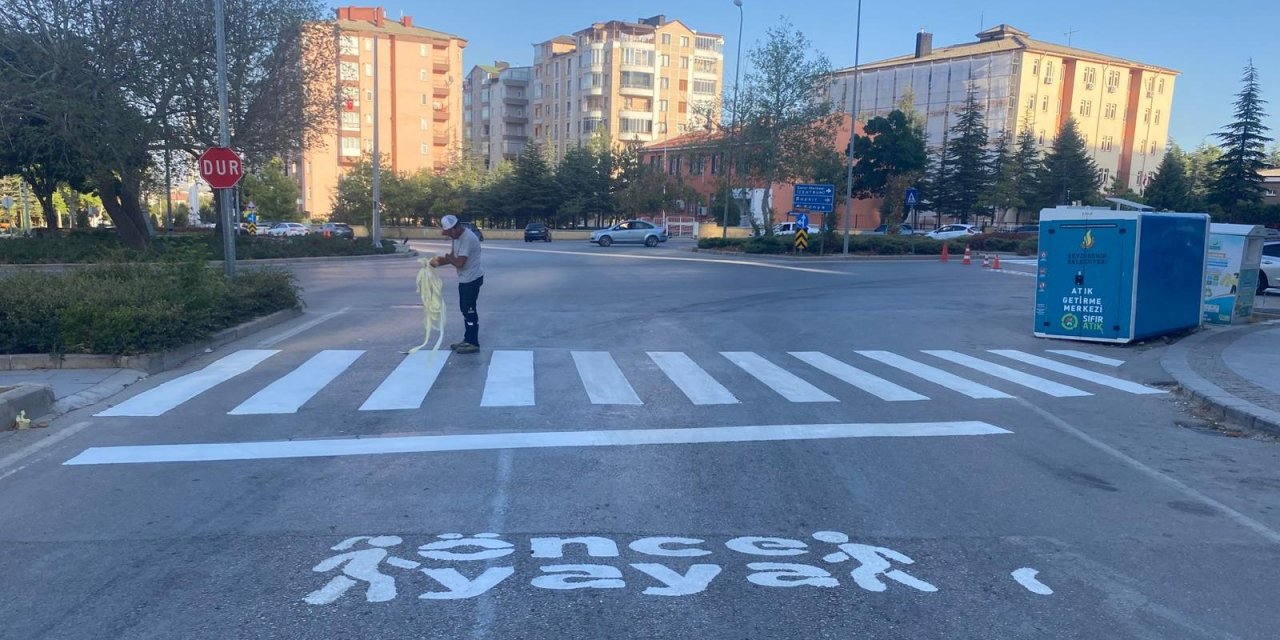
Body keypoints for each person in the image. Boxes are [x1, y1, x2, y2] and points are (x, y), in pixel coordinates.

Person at [430, 214, 484, 353]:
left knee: (469, 309)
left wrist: (447, 257)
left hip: (472, 279)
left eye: (449, 233)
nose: (449, 236)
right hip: (465, 278)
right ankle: (467, 340)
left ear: (456, 228)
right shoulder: (457, 238)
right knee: (464, 309)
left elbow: (459, 262)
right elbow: (453, 257)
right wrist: (437, 262)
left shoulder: (468, 238)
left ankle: (473, 343)